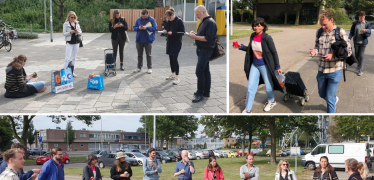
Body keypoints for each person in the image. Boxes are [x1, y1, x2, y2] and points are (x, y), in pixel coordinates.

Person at [237, 17, 283, 113]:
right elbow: (250, 49)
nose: (256, 27)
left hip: (265, 65)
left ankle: (271, 101)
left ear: (263, 26)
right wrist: (241, 47)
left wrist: (278, 66)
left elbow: (274, 52)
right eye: (254, 25)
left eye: (258, 26)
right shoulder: (252, 36)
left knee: (268, 85)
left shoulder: (267, 38)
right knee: (250, 87)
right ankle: (248, 109)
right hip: (255, 65)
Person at [310, 10, 352, 113]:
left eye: (325, 25)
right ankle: (334, 99)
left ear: (331, 20)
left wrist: (333, 55)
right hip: (321, 69)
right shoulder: (319, 32)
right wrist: (314, 51)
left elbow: (349, 52)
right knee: (321, 94)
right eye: (321, 24)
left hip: (335, 70)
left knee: (329, 98)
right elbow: (316, 46)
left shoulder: (340, 32)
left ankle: (330, 117)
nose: (323, 27)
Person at [188, 5, 217, 103]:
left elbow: (208, 38)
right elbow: (202, 35)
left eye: (197, 14)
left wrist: (195, 37)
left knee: (199, 71)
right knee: (205, 71)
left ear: (203, 12)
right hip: (201, 49)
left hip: (205, 50)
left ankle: (200, 93)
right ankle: (206, 92)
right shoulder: (204, 22)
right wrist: (195, 34)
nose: (196, 16)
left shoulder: (210, 23)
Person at [163, 7, 185, 85]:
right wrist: (165, 30)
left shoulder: (179, 21)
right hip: (170, 42)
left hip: (176, 43)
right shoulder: (169, 21)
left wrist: (173, 33)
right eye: (167, 18)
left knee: (175, 59)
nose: (168, 19)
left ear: (172, 15)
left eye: (169, 17)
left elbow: (182, 32)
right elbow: (167, 28)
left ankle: (177, 76)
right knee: (171, 58)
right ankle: (173, 74)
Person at [133, 9, 157, 74]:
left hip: (148, 40)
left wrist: (146, 28)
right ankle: (139, 67)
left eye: (144, 16)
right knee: (139, 55)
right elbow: (134, 27)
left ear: (147, 14)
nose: (143, 17)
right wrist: (139, 28)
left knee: (148, 54)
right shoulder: (138, 19)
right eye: (142, 16)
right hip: (139, 40)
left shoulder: (151, 20)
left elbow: (155, 28)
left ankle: (149, 68)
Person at [348, 11, 371, 76]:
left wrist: (366, 31)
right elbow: (352, 32)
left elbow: (369, 32)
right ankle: (358, 64)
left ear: (364, 17)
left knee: (361, 56)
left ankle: (360, 70)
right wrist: (349, 38)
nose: (362, 19)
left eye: (363, 18)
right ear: (359, 17)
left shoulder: (367, 23)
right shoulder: (355, 23)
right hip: (356, 42)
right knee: (357, 55)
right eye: (361, 18)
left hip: (363, 43)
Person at [63, 11, 82, 77]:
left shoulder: (77, 23)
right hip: (69, 42)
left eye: (74, 17)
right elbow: (64, 34)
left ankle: (71, 71)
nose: (73, 18)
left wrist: (77, 32)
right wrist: (70, 32)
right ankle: (64, 72)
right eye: (72, 17)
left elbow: (80, 32)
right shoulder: (66, 24)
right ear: (68, 17)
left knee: (74, 58)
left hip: (76, 42)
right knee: (67, 58)